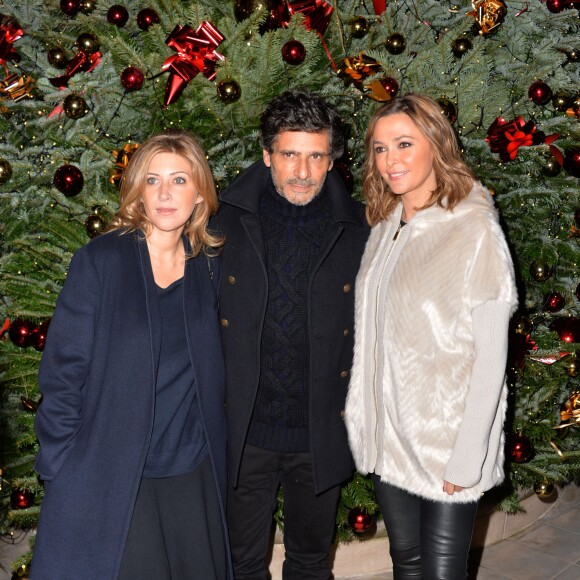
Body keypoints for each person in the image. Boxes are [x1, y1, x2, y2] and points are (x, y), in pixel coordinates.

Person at [31, 130, 232, 580]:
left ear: (199, 193)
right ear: (137, 190)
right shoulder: (101, 261)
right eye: (153, 180)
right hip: (116, 468)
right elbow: (63, 375)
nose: (165, 193)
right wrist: (61, 464)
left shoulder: (210, 264)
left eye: (180, 180)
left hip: (190, 469)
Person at [345, 93, 518, 580]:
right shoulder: (385, 225)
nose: (390, 160)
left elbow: (491, 359)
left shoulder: (473, 228)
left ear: (436, 145)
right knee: (407, 564)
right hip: (389, 437)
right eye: (379, 149)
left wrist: (466, 458)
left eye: (403, 144)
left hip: (446, 441)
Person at [212, 90, 369, 579]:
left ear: (331, 160)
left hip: (319, 429)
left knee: (309, 561)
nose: (302, 171)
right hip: (245, 429)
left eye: (316, 155)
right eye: (289, 154)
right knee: (240, 564)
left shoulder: (362, 229)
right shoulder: (222, 222)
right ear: (267, 156)